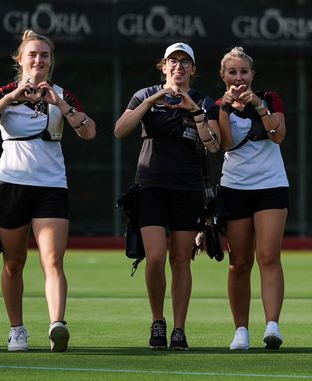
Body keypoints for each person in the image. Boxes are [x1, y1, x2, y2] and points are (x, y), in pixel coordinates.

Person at [0, 29, 96, 352]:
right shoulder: (6, 92)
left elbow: (89, 132)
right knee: (13, 263)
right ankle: (17, 330)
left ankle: (57, 324)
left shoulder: (62, 94)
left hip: (51, 186)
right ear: (21, 59)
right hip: (10, 185)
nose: (38, 60)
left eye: (45, 55)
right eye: (32, 55)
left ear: (51, 61)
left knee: (53, 261)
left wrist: (62, 106)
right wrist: (11, 98)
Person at [114, 43, 220, 351]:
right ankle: (157, 321)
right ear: (163, 66)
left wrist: (195, 111)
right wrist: (153, 101)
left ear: (193, 69)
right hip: (150, 187)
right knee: (156, 256)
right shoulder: (144, 95)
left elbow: (214, 146)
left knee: (181, 260)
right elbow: (121, 129)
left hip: (187, 189)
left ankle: (179, 330)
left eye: (185, 62)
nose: (178, 67)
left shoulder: (203, 101)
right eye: (173, 61)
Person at [217, 47, 289, 351]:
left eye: (243, 72)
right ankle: (241, 330)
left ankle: (272, 325)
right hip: (234, 188)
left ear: (252, 74)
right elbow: (226, 144)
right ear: (223, 76)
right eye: (232, 72)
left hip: (271, 185)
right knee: (239, 262)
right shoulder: (217, 105)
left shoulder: (269, 98)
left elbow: (278, 134)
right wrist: (226, 108)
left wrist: (258, 104)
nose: (238, 78)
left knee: (269, 255)